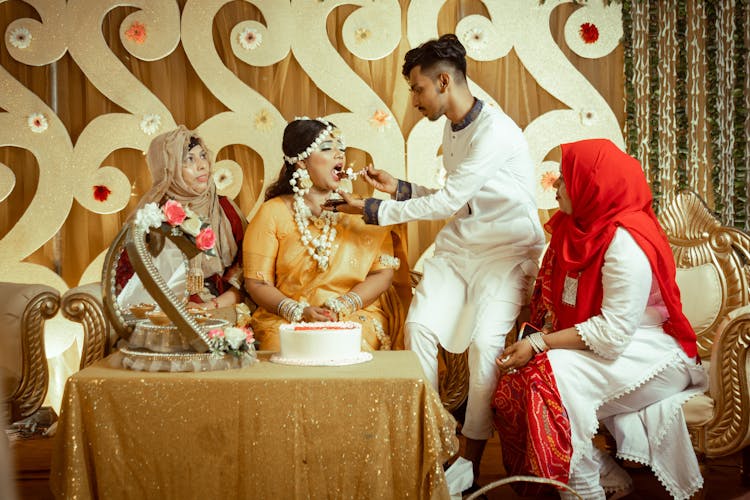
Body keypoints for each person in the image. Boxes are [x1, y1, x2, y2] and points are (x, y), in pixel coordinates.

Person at [331, 34, 545, 482]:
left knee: (487, 344)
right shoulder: (454, 124)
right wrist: (401, 189)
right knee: (417, 327)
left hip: (505, 252)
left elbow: (449, 203)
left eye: (417, 89)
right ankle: (436, 444)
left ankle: (470, 457)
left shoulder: (496, 132)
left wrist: (370, 208)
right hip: (463, 247)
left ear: (443, 81)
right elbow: (460, 201)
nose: (413, 100)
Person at [492, 139, 708, 500]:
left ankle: (583, 489)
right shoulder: (573, 230)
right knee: (519, 383)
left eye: (565, 179)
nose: (556, 186)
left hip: (651, 352)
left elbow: (613, 334)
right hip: (606, 346)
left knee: (549, 380)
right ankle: (604, 473)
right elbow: (560, 306)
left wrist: (539, 343)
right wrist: (539, 338)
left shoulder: (625, 240)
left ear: (592, 185)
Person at [242, 118, 407, 351]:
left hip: (353, 313)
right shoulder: (273, 212)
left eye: (341, 147)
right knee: (282, 346)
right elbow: (257, 281)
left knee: (350, 344)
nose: (340, 155)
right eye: (328, 148)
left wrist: (343, 305)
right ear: (300, 162)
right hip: (286, 317)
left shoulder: (361, 210)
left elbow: (383, 274)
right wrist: (297, 311)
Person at [117, 126, 246, 311]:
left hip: (221, 308)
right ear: (169, 170)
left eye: (203, 156)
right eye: (189, 160)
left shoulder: (225, 209)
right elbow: (130, 283)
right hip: (167, 313)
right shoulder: (152, 217)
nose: (202, 166)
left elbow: (247, 274)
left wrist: (210, 306)